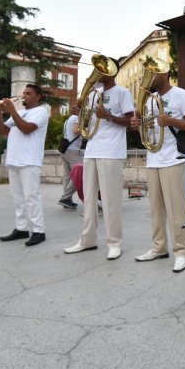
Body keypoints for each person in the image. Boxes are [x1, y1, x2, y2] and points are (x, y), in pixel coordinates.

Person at [130, 71, 185, 273]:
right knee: (156, 210)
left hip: (173, 159)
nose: (148, 76)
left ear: (165, 74)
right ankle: (159, 247)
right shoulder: (151, 100)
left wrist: (171, 122)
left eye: (153, 73)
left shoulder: (180, 95)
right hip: (154, 159)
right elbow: (147, 126)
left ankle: (182, 252)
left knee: (177, 210)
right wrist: (137, 124)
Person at [64, 70, 134, 260]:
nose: (98, 73)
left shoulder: (122, 92)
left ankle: (115, 243)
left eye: (103, 70)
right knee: (88, 199)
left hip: (111, 151)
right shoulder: (94, 94)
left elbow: (131, 121)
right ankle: (88, 240)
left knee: (111, 200)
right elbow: (85, 125)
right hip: (92, 149)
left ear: (112, 72)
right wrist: (79, 114)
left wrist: (109, 116)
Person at [0, 84, 49, 247]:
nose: (24, 95)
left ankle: (39, 231)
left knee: (31, 196)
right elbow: (3, 132)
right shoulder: (19, 113)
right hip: (14, 159)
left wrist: (11, 110)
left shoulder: (41, 112)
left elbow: (26, 129)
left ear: (38, 96)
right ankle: (22, 228)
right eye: (24, 93)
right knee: (18, 198)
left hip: (29, 160)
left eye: (29, 93)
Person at [57, 107, 82, 209]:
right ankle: (65, 198)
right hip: (72, 150)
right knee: (80, 173)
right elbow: (76, 131)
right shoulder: (76, 118)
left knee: (68, 176)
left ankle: (67, 200)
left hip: (65, 150)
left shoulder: (68, 119)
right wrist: (86, 129)